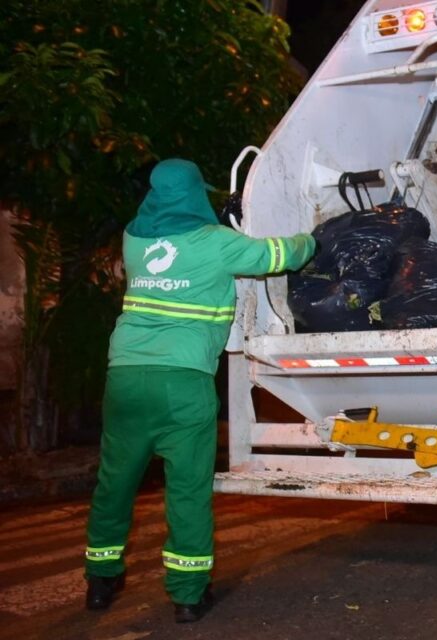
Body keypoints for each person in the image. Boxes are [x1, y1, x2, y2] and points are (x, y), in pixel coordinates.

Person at [84, 158, 315, 623]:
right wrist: (313, 237)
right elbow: (278, 256)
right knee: (187, 490)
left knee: (115, 481)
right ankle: (188, 595)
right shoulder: (215, 244)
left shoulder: (133, 239)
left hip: (125, 376)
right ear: (194, 194)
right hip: (183, 381)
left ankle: (100, 580)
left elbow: (178, 239)